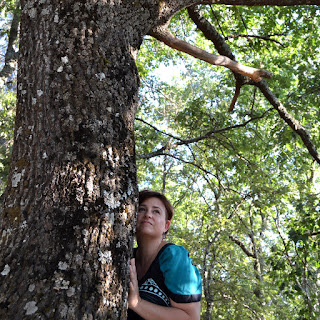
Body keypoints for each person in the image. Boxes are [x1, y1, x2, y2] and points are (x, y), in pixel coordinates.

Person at [127, 190, 202, 320]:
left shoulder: (174, 258)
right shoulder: (126, 255)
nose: (148, 215)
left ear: (166, 226)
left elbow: (191, 317)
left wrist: (137, 303)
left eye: (156, 211)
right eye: (141, 209)